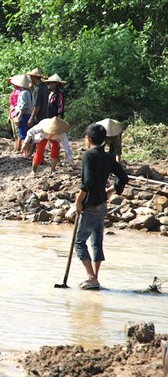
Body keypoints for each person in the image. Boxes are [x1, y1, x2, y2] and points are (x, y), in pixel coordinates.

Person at [74, 123, 128, 290]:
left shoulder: (88, 155)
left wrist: (78, 200)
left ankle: (91, 278)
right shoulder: (108, 157)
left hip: (90, 205)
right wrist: (111, 190)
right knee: (96, 241)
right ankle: (95, 277)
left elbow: (88, 181)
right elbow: (123, 177)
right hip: (102, 203)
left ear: (88, 139)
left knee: (79, 242)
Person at [8, 74, 33, 150]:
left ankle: (25, 153)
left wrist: (18, 117)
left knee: (23, 136)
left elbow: (23, 107)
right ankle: (26, 153)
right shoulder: (29, 92)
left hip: (24, 115)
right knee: (26, 135)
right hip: (28, 114)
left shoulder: (23, 93)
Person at [7, 76, 21, 152]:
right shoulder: (15, 91)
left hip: (16, 113)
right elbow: (11, 104)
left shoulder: (20, 91)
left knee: (18, 131)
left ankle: (18, 148)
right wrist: (9, 116)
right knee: (14, 132)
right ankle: (16, 147)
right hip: (13, 113)